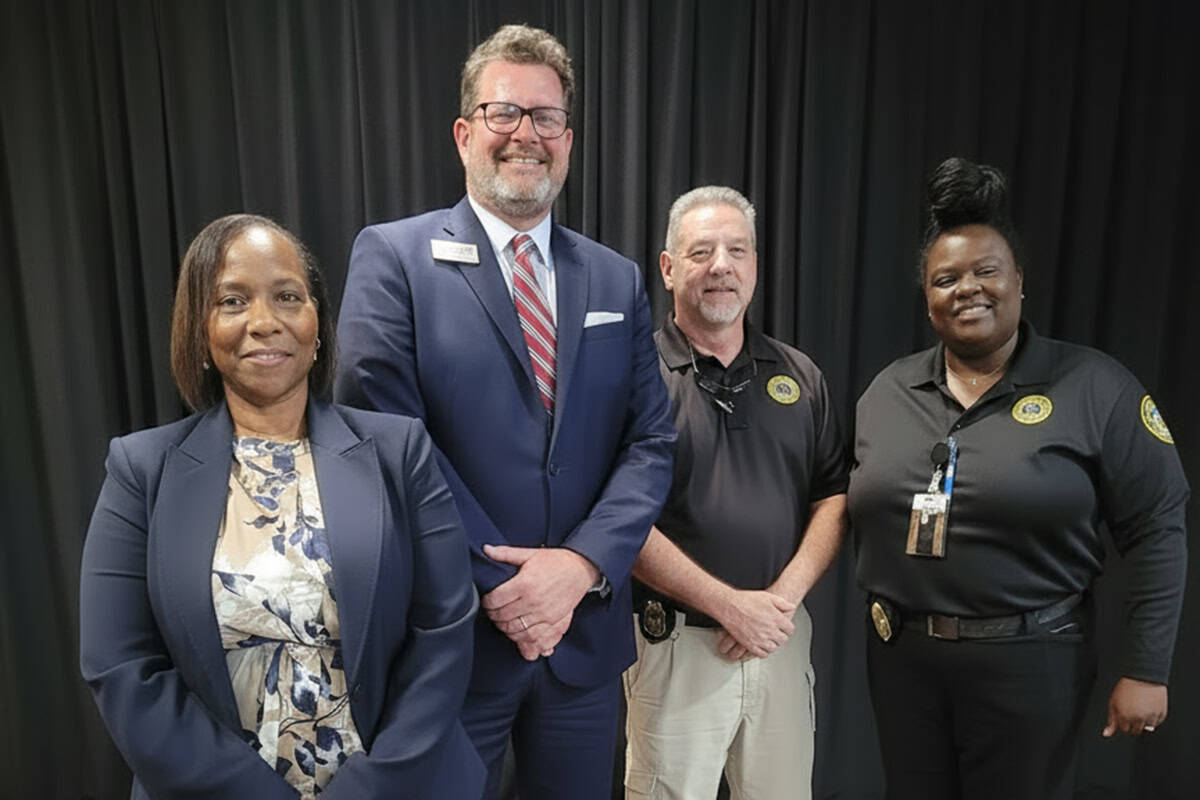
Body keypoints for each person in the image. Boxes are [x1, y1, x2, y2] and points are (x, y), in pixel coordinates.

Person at [333, 24, 676, 800]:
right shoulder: (393, 258)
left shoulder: (616, 280)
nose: (527, 134)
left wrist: (579, 567)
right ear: (464, 134)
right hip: (449, 642)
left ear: (568, 138)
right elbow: (383, 436)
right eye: (504, 114)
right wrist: (506, 582)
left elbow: (651, 441)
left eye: (546, 118)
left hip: (582, 647)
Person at [79, 214, 484, 799]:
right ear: (201, 328)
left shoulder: (399, 452)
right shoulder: (141, 470)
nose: (264, 322)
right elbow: (122, 668)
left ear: (317, 323)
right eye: (232, 301)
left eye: (287, 297)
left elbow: (443, 635)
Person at [848, 157, 1188, 800]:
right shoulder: (888, 391)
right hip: (903, 663)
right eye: (946, 278)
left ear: (1020, 283)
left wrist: (1146, 666)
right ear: (927, 297)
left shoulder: (1097, 387)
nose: (967, 288)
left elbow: (1158, 529)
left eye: (986, 272)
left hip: (1033, 665)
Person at [623, 186, 849, 799]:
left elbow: (833, 496)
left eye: (737, 250)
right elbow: (614, 520)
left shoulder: (801, 376)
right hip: (674, 649)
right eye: (701, 252)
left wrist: (780, 599)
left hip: (779, 639)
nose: (721, 265)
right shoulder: (630, 374)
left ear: (754, 267)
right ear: (668, 269)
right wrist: (728, 605)